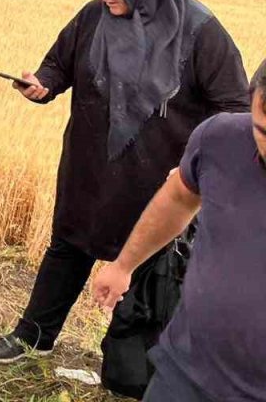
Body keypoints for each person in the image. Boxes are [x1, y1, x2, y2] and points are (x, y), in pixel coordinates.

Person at [0, 0, 249, 386]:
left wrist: (198, 163)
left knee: (147, 272)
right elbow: (57, 66)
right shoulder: (92, 18)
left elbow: (235, 107)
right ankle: (33, 336)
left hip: (157, 180)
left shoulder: (202, 33)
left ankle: (128, 364)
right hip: (89, 165)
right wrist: (41, 84)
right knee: (68, 246)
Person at [92, 58, 266, 402]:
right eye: (263, 132)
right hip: (182, 376)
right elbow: (177, 199)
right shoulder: (220, 139)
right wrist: (124, 265)